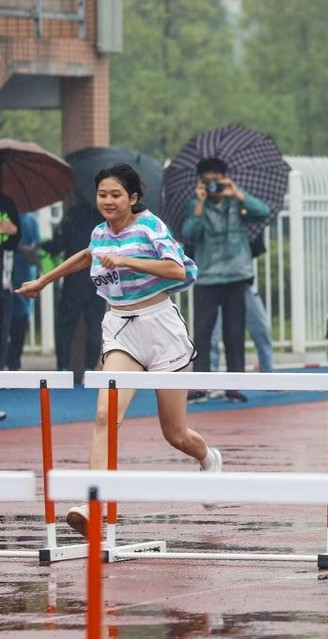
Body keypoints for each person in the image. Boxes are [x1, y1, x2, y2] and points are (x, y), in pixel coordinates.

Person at [17, 163, 222, 538]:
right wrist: (43, 281)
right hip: (120, 331)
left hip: (161, 329)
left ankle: (208, 457)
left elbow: (177, 271)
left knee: (174, 433)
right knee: (103, 416)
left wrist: (127, 259)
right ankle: (93, 503)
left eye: (115, 195)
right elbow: (86, 255)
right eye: (102, 194)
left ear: (133, 198)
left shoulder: (150, 227)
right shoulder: (99, 233)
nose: (108, 201)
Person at [181, 157, 269, 403]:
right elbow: (188, 234)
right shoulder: (194, 204)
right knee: (202, 333)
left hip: (236, 275)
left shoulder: (236, 201)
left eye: (216, 181)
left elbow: (262, 212)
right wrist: (199, 206)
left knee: (234, 333)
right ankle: (200, 386)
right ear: (200, 182)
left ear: (225, 178)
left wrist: (238, 194)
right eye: (207, 182)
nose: (212, 187)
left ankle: (234, 385)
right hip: (207, 276)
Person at [41, 196, 107, 376]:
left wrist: (41, 245)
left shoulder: (71, 217)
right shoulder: (102, 221)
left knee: (65, 325)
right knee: (94, 325)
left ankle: (62, 367)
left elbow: (56, 245)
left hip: (73, 282)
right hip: (97, 282)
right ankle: (89, 368)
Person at [209, 279, 274, 380]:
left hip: (244, 284)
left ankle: (269, 375)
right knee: (211, 337)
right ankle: (210, 381)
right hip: (214, 284)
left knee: (262, 331)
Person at [2, 210, 40, 370]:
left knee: (20, 318)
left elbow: (35, 251)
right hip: (6, 278)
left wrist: (23, 249)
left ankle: (13, 361)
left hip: (21, 277)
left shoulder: (29, 220)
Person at [0, 194, 21, 421]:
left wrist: (12, 231)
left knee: (1, 340)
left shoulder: (7, 203)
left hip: (3, 285)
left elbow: (16, 241)